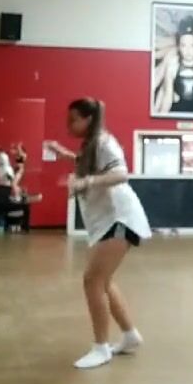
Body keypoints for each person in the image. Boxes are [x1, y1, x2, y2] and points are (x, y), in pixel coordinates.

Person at [47, 98, 151, 370]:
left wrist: (86, 181)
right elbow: (89, 164)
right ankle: (129, 335)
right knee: (103, 281)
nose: (69, 126)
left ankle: (101, 347)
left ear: (89, 119)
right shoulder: (92, 145)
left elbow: (121, 174)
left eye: (74, 120)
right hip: (107, 220)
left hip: (120, 217)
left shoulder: (105, 142)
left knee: (92, 280)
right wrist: (66, 155)